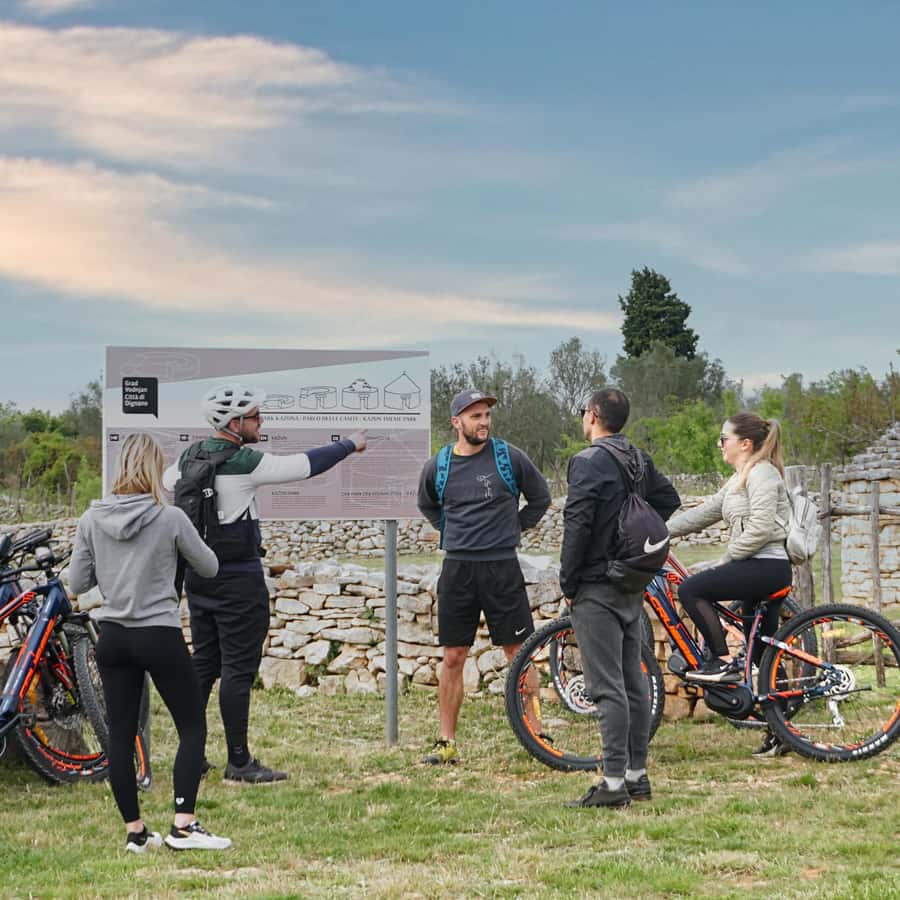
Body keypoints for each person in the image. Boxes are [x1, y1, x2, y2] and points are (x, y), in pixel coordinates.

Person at [162, 383, 366, 784]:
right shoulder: (242, 462)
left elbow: (169, 483)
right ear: (234, 423)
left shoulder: (188, 458)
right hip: (239, 577)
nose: (261, 422)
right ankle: (238, 761)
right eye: (255, 417)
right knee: (238, 668)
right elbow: (304, 466)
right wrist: (349, 445)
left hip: (201, 578)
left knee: (204, 663)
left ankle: (193, 755)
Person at [69, 434, 231, 852]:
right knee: (192, 724)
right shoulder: (170, 518)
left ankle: (136, 832)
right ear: (156, 468)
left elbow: (79, 583)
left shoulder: (91, 518)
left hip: (114, 637)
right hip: (159, 633)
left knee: (121, 735)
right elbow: (209, 567)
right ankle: (183, 825)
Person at [417, 388, 551, 764]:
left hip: (502, 567)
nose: (484, 422)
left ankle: (537, 733)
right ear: (456, 422)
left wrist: (513, 529)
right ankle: (446, 743)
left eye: (487, 415)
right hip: (457, 568)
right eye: (475, 416)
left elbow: (540, 498)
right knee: (454, 656)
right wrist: (454, 533)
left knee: (519, 653)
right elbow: (427, 503)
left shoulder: (509, 457)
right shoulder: (439, 465)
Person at [560, 389, 680, 808]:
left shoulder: (588, 461)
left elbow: (577, 525)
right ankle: (637, 776)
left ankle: (612, 785)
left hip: (596, 583)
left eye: (583, 413)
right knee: (633, 683)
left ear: (593, 416)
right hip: (631, 581)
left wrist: (568, 583)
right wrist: (633, 535)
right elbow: (668, 500)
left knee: (606, 687)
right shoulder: (637, 457)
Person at [666, 412, 792, 756]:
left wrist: (726, 559)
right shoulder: (740, 477)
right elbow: (706, 511)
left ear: (745, 443)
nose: (720, 444)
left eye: (724, 438)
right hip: (756, 568)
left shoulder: (763, 473)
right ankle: (782, 733)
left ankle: (721, 660)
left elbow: (763, 527)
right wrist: (661, 531)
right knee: (764, 656)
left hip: (766, 567)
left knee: (692, 589)